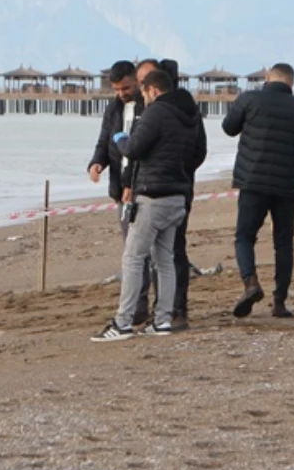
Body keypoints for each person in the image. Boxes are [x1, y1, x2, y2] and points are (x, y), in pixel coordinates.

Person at [92, 70, 197, 341]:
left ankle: (123, 322)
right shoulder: (187, 115)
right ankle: (162, 320)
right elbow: (196, 152)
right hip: (178, 194)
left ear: (151, 90)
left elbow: (134, 149)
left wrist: (120, 139)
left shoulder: (157, 113)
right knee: (164, 260)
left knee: (133, 258)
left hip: (153, 196)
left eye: (144, 92)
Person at [222, 63, 294, 319]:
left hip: (253, 181)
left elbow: (228, 128)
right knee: (283, 242)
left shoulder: (249, 99)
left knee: (245, 237)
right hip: (286, 184)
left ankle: (251, 283)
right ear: (292, 83)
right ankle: (279, 301)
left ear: (267, 79)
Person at [137, 58, 207, 330]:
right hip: (172, 184)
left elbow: (198, 150)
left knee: (169, 251)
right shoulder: (183, 107)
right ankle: (164, 310)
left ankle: (175, 309)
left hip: (169, 187)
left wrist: (176, 169)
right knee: (162, 252)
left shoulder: (170, 110)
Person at [88, 60, 152, 324]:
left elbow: (141, 150)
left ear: (136, 81)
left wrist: (131, 183)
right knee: (130, 250)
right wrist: (96, 163)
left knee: (146, 252)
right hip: (120, 189)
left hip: (143, 185)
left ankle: (153, 306)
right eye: (116, 89)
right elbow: (104, 140)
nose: (121, 93)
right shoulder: (113, 109)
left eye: (125, 87)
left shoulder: (147, 107)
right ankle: (138, 306)